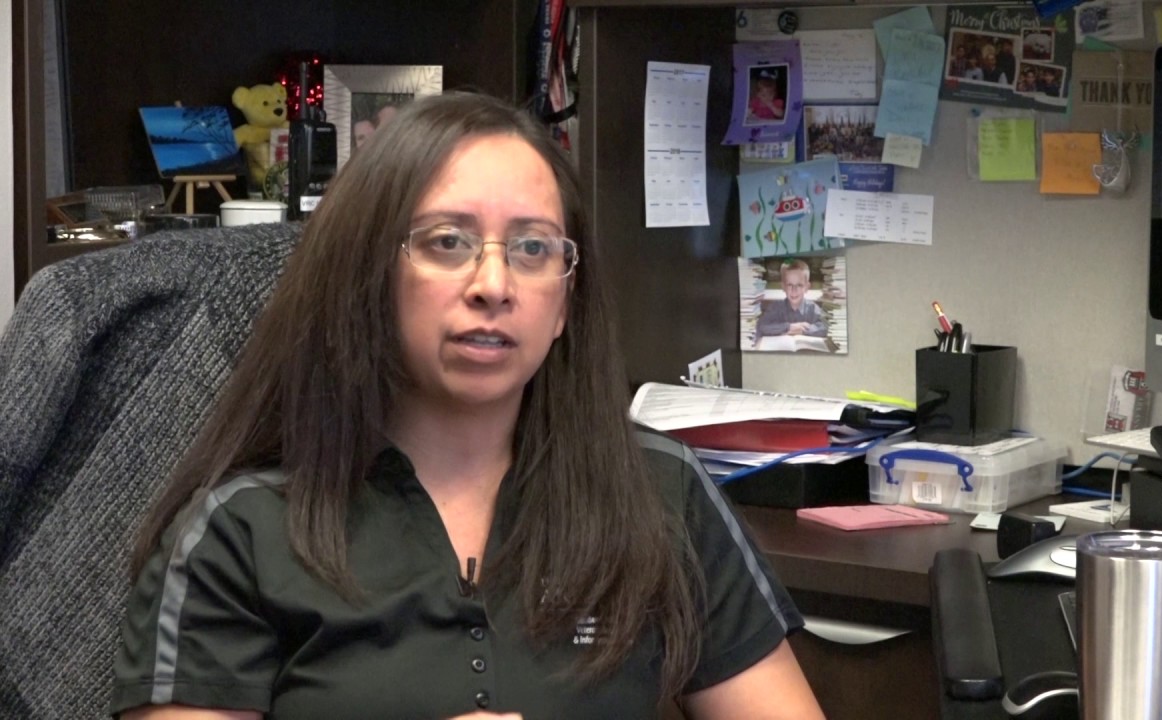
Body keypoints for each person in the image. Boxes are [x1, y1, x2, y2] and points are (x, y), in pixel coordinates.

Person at [110, 92, 824, 720]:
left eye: (533, 248)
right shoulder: (242, 533)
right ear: (366, 274)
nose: (494, 282)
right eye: (447, 242)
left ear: (565, 303)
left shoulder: (657, 493)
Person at [755, 260, 826, 338]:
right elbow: (762, 326)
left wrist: (802, 330)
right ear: (783, 287)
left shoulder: (813, 309)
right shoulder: (775, 307)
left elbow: (826, 327)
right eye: (789, 285)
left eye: (799, 285)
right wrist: (789, 327)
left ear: (807, 287)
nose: (794, 290)